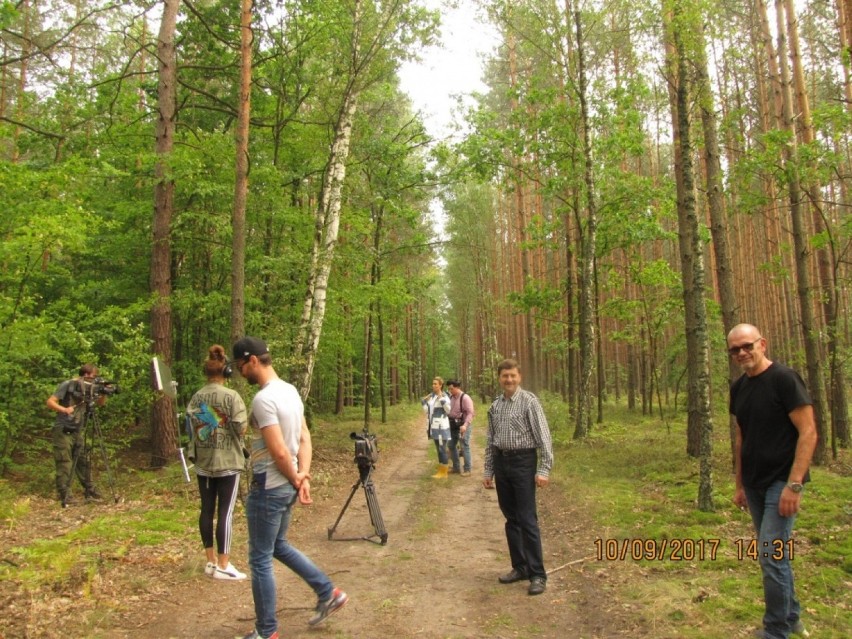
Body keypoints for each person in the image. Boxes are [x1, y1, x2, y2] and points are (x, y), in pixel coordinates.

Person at [233, 336, 348, 639]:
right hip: (286, 485)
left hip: (270, 487)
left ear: (253, 361)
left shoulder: (263, 399)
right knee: (278, 546)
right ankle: (328, 592)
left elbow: (280, 451)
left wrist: (298, 477)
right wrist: (303, 476)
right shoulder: (291, 391)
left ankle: (266, 630)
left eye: (241, 366)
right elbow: (304, 439)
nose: (240, 372)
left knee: (259, 558)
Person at [728, 324, 817, 639]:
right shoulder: (739, 388)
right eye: (735, 349)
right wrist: (739, 485)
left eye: (746, 346)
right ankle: (791, 618)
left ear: (762, 343)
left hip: (782, 481)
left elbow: (808, 431)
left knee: (770, 553)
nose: (741, 353)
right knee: (776, 555)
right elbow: (742, 437)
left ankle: (776, 630)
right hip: (754, 483)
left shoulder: (784, 379)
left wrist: (794, 484)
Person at [483, 359, 553, 596]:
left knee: (527, 519)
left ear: (519, 377)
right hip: (502, 463)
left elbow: (544, 438)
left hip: (524, 462)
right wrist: (488, 471)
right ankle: (520, 567)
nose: (509, 380)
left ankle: (537, 574)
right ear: (499, 378)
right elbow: (490, 441)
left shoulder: (529, 402)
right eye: (505, 376)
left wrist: (543, 470)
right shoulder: (495, 406)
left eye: (513, 375)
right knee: (511, 518)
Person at [186, 344, 248, 581]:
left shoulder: (197, 396)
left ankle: (210, 561)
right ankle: (224, 563)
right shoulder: (232, 396)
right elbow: (240, 428)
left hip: (203, 461)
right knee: (226, 512)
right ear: (226, 372)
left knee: (206, 509)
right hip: (228, 462)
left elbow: (192, 426)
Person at [46, 364, 104, 505]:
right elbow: (50, 401)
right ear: (85, 374)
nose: (93, 379)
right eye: (92, 376)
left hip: (78, 429)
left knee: (83, 460)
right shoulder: (69, 384)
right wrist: (64, 409)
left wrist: (103, 392)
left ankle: (90, 490)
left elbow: (101, 404)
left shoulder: (89, 389)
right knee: (64, 461)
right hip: (64, 428)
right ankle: (65, 495)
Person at [421, 376, 452, 479]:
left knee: (442, 449)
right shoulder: (432, 397)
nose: (433, 385)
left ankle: (444, 472)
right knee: (438, 449)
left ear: (440, 385)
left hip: (441, 427)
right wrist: (424, 403)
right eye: (433, 383)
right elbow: (427, 411)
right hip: (433, 427)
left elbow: (448, 410)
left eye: (435, 384)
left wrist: (442, 399)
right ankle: (440, 470)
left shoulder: (445, 396)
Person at [446, 380, 475, 476]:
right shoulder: (450, 397)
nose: (450, 390)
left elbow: (471, 413)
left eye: (452, 388)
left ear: (457, 387)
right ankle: (456, 468)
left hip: (463, 425)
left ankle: (467, 469)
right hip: (453, 425)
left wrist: (465, 425)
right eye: (449, 388)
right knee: (451, 445)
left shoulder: (465, 398)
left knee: (464, 446)